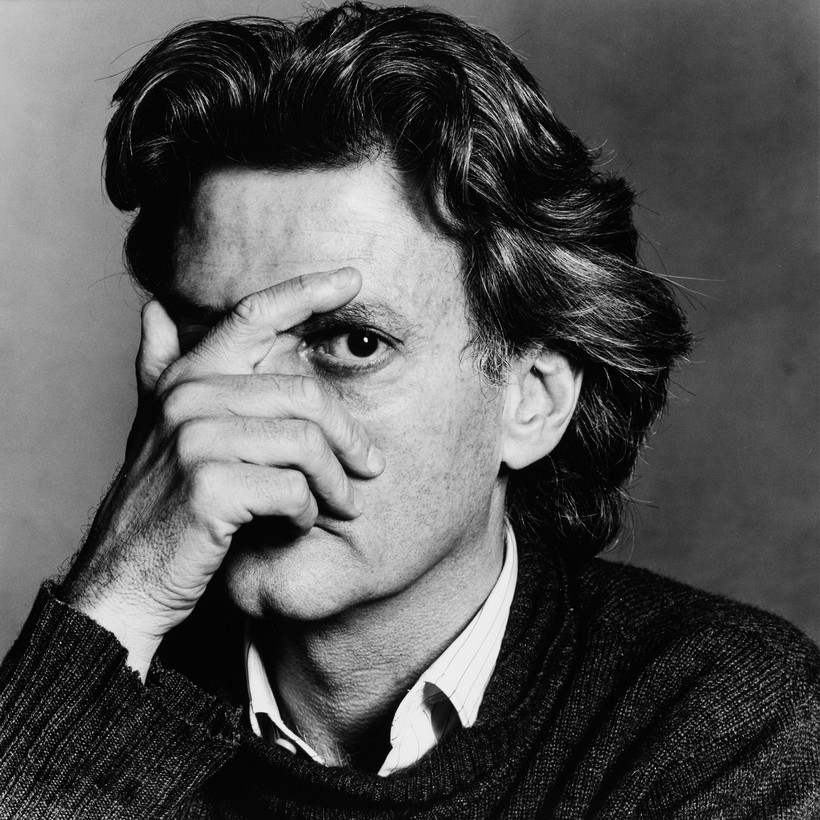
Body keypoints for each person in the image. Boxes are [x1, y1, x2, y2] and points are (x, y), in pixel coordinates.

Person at [1, 2, 818, 817]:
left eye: (353, 344)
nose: (251, 418)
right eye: (209, 338)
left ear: (532, 401)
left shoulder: (723, 722)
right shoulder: (93, 683)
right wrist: (118, 603)